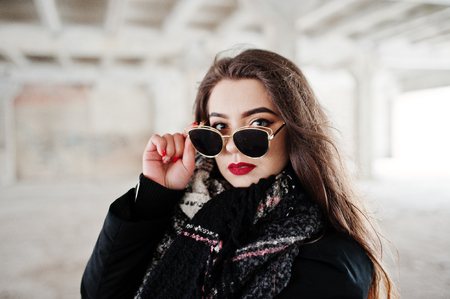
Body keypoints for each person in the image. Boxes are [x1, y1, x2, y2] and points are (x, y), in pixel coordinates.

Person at [81, 49, 398, 298]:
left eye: (258, 125)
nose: (232, 147)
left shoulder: (329, 261)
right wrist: (155, 196)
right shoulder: (187, 212)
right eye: (219, 127)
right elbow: (99, 293)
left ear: (297, 130)